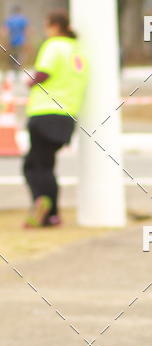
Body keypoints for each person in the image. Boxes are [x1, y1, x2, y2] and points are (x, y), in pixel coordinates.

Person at [22, 10, 88, 227]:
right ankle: (52, 214)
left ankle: (43, 203)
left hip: (45, 111)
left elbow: (44, 72)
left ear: (55, 26)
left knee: (34, 166)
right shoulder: (77, 50)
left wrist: (30, 82)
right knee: (46, 164)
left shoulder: (54, 45)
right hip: (67, 115)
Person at [3, 5, 28, 69]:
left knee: (12, 56)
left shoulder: (10, 20)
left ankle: (13, 68)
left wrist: (5, 40)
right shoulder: (22, 19)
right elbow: (26, 30)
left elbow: (6, 31)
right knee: (19, 56)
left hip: (11, 41)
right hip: (20, 41)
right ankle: (18, 69)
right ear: (19, 11)